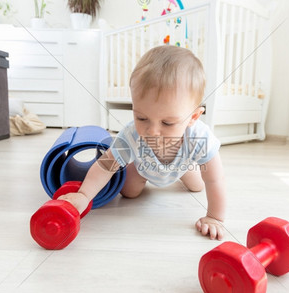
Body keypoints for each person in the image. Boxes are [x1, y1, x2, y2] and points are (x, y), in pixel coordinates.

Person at [59, 45, 226, 240]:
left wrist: (215, 217)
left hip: (182, 166)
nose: (152, 131)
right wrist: (84, 195)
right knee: (128, 192)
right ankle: (139, 171)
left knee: (199, 185)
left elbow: (216, 179)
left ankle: (186, 170)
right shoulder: (131, 135)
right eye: (141, 118)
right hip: (143, 168)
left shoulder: (199, 137)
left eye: (167, 122)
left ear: (193, 117)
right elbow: (105, 166)